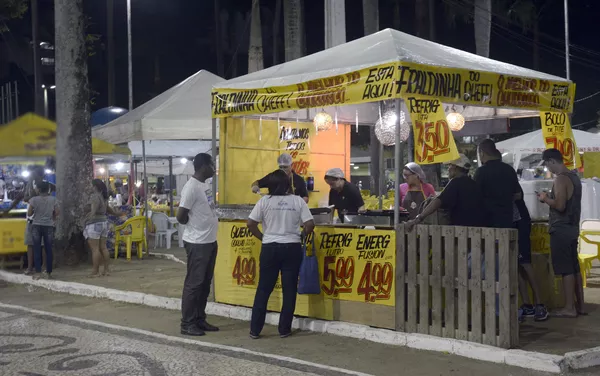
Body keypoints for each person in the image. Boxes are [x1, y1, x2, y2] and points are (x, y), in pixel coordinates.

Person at [247, 169, 315, 339]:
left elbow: (250, 224)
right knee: (289, 289)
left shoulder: (264, 202)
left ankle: (255, 329)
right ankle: (284, 329)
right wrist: (301, 235)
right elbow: (310, 224)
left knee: (264, 289)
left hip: (270, 248)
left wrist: (264, 238)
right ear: (287, 184)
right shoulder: (298, 201)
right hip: (292, 248)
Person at [538, 148, 584, 318]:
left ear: (551, 161)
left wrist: (544, 199)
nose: (548, 168)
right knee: (574, 267)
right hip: (572, 227)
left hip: (561, 228)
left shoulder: (561, 179)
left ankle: (569, 308)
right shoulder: (574, 177)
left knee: (566, 269)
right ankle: (580, 306)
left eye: (547, 164)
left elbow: (560, 205)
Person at [177, 153, 219, 336]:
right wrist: (193, 224)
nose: (214, 168)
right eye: (212, 164)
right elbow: (181, 216)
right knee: (194, 284)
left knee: (205, 283)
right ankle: (187, 323)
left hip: (209, 241)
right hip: (197, 242)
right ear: (203, 166)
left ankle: (199, 318)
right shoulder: (191, 187)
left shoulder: (204, 185)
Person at [406, 154, 483, 230]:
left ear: (455, 167)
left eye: (449, 166)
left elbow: (438, 201)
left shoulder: (456, 182)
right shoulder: (473, 183)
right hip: (477, 229)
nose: (448, 169)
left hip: (461, 231)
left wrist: (419, 218)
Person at [2, 166, 54, 275]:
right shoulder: (34, 185)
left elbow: (27, 198)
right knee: (37, 244)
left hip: (35, 220)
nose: (31, 175)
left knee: (37, 245)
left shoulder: (41, 186)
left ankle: (38, 267)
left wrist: (27, 198)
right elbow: (22, 196)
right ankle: (35, 267)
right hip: (40, 221)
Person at [475, 139, 521, 229]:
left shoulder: (481, 172)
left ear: (482, 153)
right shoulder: (509, 170)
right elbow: (518, 195)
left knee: (490, 243)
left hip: (488, 221)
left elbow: (475, 196)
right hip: (507, 220)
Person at [84, 179, 123, 277]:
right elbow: (108, 209)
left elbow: (94, 208)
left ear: (95, 187)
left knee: (95, 249)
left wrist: (89, 215)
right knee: (104, 248)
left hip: (94, 223)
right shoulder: (104, 197)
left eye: (90, 185)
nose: (89, 187)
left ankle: (95, 271)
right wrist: (117, 214)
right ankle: (106, 270)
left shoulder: (95, 196)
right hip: (104, 223)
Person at [27, 181, 58, 280]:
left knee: (37, 249)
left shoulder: (33, 200)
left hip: (36, 225)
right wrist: (51, 218)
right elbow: (57, 212)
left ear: (39, 189)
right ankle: (48, 272)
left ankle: (38, 272)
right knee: (48, 249)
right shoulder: (53, 199)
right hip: (49, 225)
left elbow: (29, 213)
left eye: (36, 188)